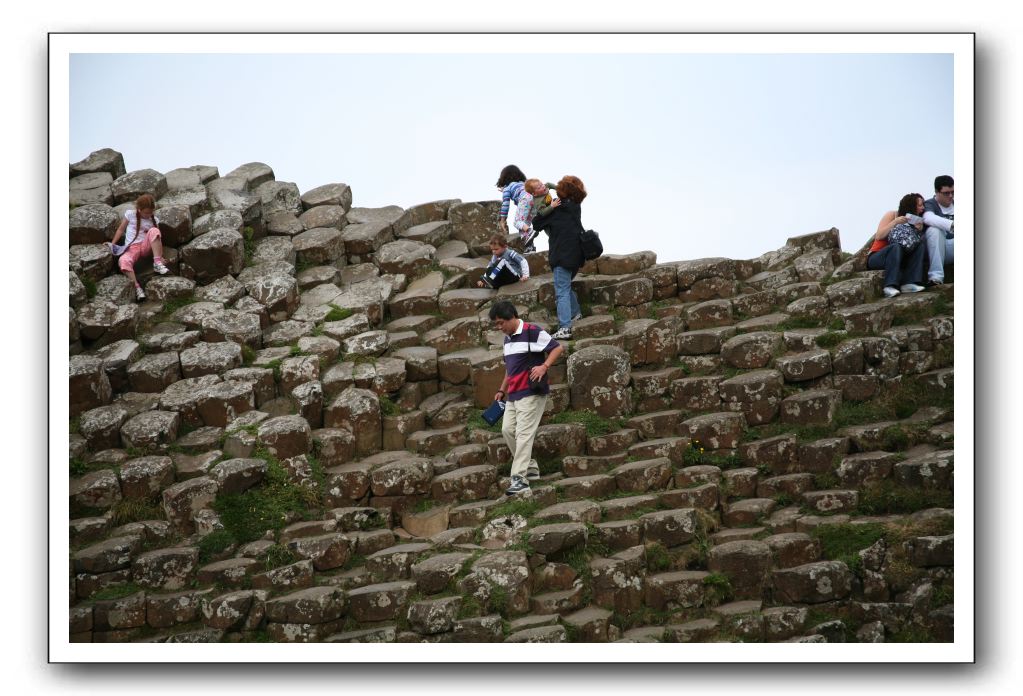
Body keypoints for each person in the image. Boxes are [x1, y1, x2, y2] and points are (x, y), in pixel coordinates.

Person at [489, 301, 564, 496]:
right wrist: (501, 390)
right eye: (496, 324)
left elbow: (557, 348)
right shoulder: (507, 340)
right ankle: (529, 466)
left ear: (511, 317)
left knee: (523, 434)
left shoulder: (532, 331)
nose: (499, 328)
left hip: (531, 392)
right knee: (507, 430)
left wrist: (544, 366)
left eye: (500, 323)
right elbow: (510, 369)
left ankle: (519, 479)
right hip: (513, 394)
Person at [532, 175, 586, 339]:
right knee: (565, 286)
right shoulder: (575, 206)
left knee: (561, 291)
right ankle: (576, 313)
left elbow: (536, 223)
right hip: (577, 256)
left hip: (562, 255)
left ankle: (565, 328)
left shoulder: (557, 208)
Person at [108, 193, 169, 300]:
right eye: (146, 213)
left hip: (145, 247)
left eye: (151, 212)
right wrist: (113, 244)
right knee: (123, 261)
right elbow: (121, 229)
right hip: (132, 248)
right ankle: (137, 288)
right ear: (139, 209)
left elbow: (158, 239)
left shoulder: (154, 220)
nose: (149, 215)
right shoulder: (130, 214)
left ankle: (157, 263)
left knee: (155, 230)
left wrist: (160, 256)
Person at [867, 193, 929, 298]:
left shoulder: (917, 221)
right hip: (878, 256)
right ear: (911, 205)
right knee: (896, 247)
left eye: (923, 205)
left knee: (920, 245)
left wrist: (919, 231)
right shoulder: (892, 215)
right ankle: (889, 286)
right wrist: (895, 222)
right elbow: (879, 236)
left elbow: (911, 245)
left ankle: (909, 283)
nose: (923, 208)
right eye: (920, 205)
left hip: (901, 256)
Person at [495, 164, 539, 253]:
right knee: (523, 226)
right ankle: (530, 247)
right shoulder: (524, 184)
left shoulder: (508, 188)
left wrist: (503, 219)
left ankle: (530, 231)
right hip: (534, 201)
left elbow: (505, 205)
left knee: (517, 222)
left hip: (525, 199)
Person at [922, 175, 955, 285]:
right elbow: (928, 218)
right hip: (936, 248)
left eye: (953, 192)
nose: (950, 196)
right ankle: (936, 277)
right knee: (934, 230)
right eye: (946, 193)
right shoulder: (930, 204)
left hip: (952, 247)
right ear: (937, 192)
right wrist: (952, 225)